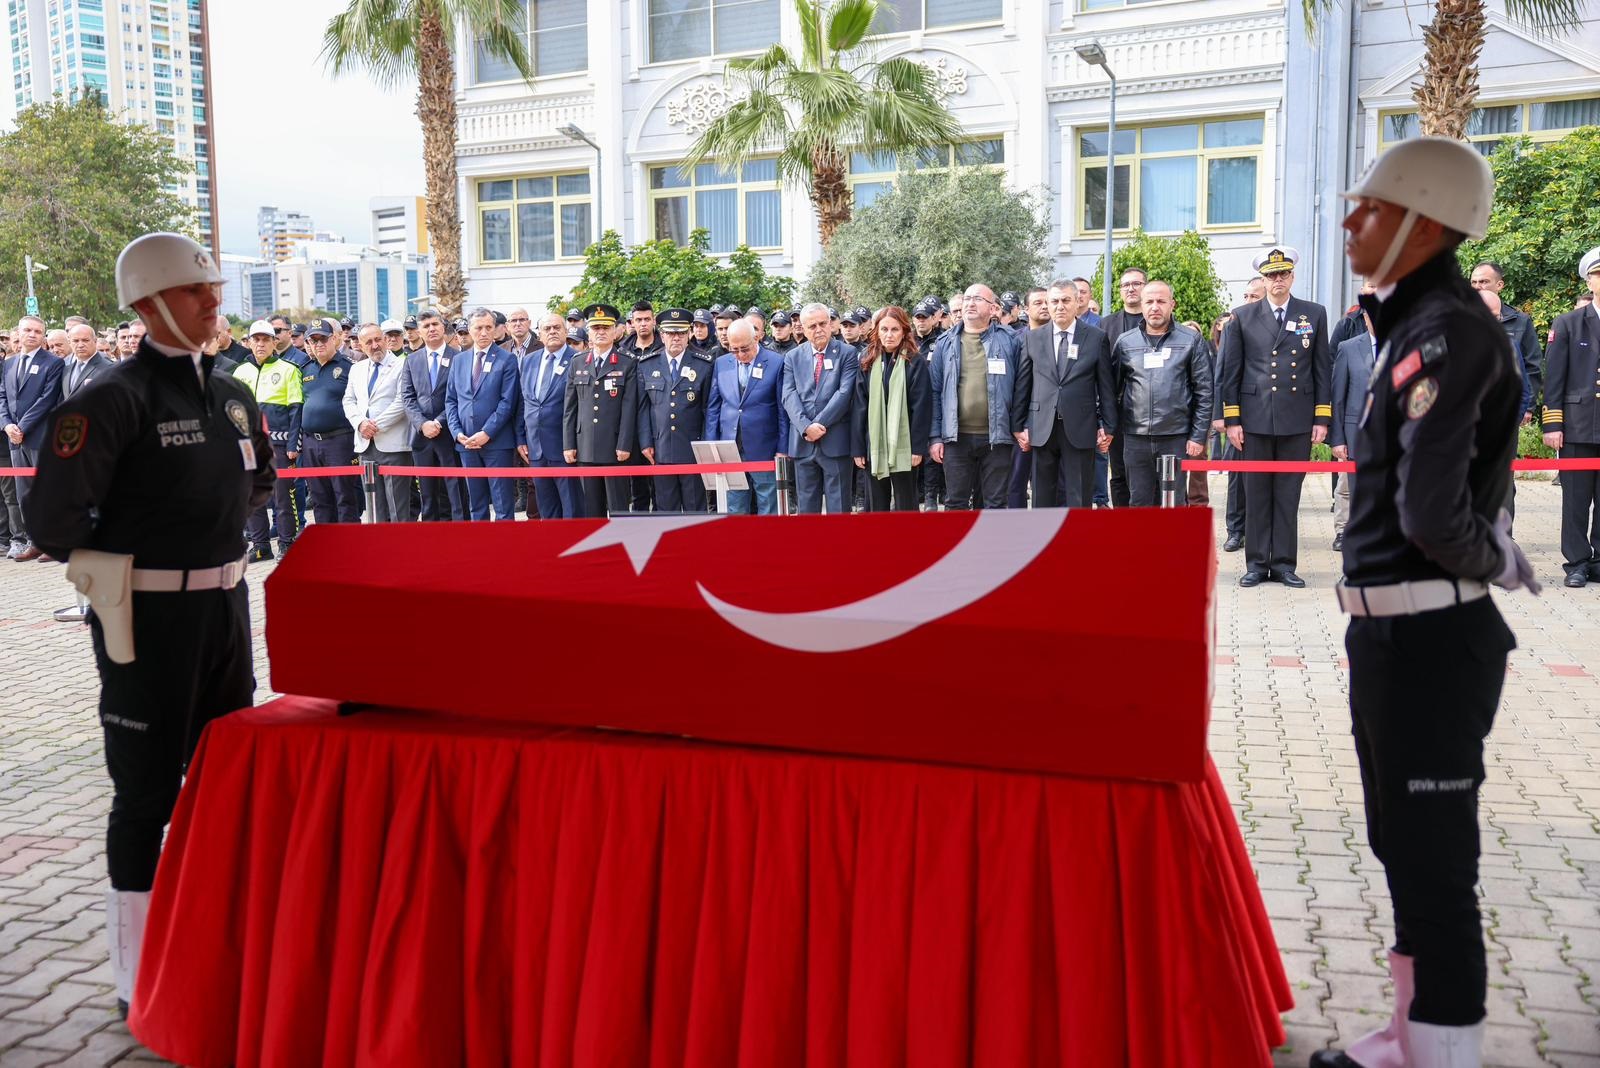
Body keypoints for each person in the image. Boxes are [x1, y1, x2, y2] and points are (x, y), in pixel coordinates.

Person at [1313, 136, 1537, 1068]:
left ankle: (1447, 1050)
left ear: (1427, 224)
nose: (1351, 223)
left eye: (1371, 208)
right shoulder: (1404, 326)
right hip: (1390, 634)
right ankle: (1413, 1035)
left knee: (1437, 860)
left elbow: (1431, 510)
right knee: (1398, 839)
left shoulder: (1450, 332)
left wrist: (1500, 555)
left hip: (1435, 635)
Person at [25, 232, 274, 1021]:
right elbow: (54, 516)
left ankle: (221, 939)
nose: (214, 302)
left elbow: (258, 483)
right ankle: (136, 970)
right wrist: (122, 576)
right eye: (198, 291)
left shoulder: (235, 393)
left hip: (227, 611)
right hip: (146, 618)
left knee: (226, 781)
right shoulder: (109, 399)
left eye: (213, 288)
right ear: (149, 303)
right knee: (144, 793)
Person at [1220, 247, 1332, 589]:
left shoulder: (1313, 313)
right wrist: (1232, 420)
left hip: (1296, 418)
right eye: (1271, 275)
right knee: (1255, 494)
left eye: (1283, 274)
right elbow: (1231, 372)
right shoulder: (1243, 316)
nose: (1277, 280)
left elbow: (1321, 369)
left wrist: (1321, 417)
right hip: (1254, 420)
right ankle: (1256, 563)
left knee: (1288, 495)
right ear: (1263, 280)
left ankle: (1283, 564)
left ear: (1292, 276)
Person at [928, 284, 1031, 510]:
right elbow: (934, 393)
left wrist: (1020, 426)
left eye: (977, 299)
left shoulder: (1011, 340)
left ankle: (992, 546)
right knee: (956, 503)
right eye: (967, 299)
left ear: (993, 308)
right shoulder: (944, 343)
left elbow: (1023, 388)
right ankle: (960, 546)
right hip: (955, 438)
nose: (970, 303)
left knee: (995, 503)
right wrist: (935, 437)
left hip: (998, 437)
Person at [1109, 281, 1211, 506]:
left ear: (1171, 304)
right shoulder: (1125, 343)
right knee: (1140, 501)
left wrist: (1198, 435)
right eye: (1150, 302)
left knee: (1173, 502)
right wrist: (1108, 427)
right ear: (1142, 306)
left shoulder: (1190, 340)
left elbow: (1204, 391)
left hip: (1176, 436)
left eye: (1161, 301)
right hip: (1135, 437)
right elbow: (1112, 390)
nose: (1155, 307)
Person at [1025, 279, 1115, 508]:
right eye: (1054, 301)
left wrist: (1108, 425)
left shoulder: (1096, 337)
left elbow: (1105, 386)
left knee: (1080, 492)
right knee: (1042, 494)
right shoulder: (1033, 337)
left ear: (1077, 302)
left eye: (1066, 300)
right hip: (1042, 425)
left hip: (1081, 426)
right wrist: (1019, 425)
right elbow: (1023, 384)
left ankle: (1077, 540)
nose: (1060, 306)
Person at [1542, 246, 1600, 587]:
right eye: (1597, 275)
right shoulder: (1568, 323)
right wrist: (1553, 424)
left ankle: (1599, 560)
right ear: (1589, 281)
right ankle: (1577, 563)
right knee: (1576, 500)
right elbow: (1554, 378)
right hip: (1578, 425)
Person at [849, 306, 932, 512]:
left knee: (906, 503)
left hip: (905, 445)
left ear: (904, 331)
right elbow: (860, 406)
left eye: (894, 329)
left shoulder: (915, 362)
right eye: (884, 329)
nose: (889, 335)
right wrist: (858, 448)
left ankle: (908, 543)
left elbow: (922, 408)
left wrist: (918, 447)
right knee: (876, 505)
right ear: (876, 331)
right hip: (874, 445)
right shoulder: (867, 361)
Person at [233, 321, 303, 560]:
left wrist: (294, 445)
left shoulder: (289, 369)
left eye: (266, 340)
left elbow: (296, 411)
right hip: (248, 445)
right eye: (256, 339)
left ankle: (286, 542)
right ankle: (261, 545)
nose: (261, 344)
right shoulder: (240, 372)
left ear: (275, 342)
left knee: (283, 495)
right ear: (249, 342)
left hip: (280, 443)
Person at [782, 302, 859, 514]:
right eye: (812, 326)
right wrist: (806, 427)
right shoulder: (792, 357)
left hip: (835, 441)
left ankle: (840, 548)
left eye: (823, 323)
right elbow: (788, 396)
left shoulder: (847, 353)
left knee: (839, 508)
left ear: (831, 324)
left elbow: (844, 394)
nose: (819, 330)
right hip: (803, 442)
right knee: (807, 510)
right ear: (803, 329)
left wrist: (819, 424)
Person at [562, 303, 637, 517]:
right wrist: (569, 444)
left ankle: (620, 548)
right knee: (591, 510)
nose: (601, 332)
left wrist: (624, 444)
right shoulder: (577, 363)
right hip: (584, 446)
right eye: (596, 328)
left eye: (606, 327)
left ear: (615, 331)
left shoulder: (626, 363)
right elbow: (570, 408)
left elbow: (629, 408)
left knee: (619, 508)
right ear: (589, 332)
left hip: (615, 449)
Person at [636, 308, 715, 513]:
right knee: (665, 509)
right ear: (662, 335)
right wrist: (645, 442)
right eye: (671, 333)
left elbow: (708, 410)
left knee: (694, 508)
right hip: (660, 449)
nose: (676, 338)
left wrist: (705, 446)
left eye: (681, 333)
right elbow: (643, 409)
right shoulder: (647, 364)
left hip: (692, 449)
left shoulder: (703, 364)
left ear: (689, 334)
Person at [705, 319, 787, 514]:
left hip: (764, 447)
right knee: (735, 507)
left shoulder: (776, 362)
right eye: (734, 350)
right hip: (730, 448)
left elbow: (783, 411)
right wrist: (712, 446)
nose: (740, 355)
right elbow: (714, 408)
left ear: (757, 338)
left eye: (745, 349)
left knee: (768, 506)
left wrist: (783, 448)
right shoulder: (721, 364)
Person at [445, 308, 519, 521]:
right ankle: (482, 550)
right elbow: (451, 400)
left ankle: (504, 549)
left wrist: (486, 432)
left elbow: (507, 402)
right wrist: (457, 432)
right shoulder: (459, 361)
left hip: (496, 442)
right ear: (470, 329)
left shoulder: (507, 360)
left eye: (489, 327)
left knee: (503, 504)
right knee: (476, 504)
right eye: (479, 328)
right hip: (466, 443)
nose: (484, 332)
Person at [2, 314, 64, 560]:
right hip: (14, 439)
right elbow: (2, 398)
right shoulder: (9, 363)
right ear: (19, 332)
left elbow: (47, 400)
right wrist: (7, 426)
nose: (32, 335)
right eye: (27, 330)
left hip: (39, 436)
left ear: (43, 336)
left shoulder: (53, 363)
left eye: (38, 332)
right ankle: (35, 541)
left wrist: (22, 427)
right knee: (24, 494)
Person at [400, 310, 466, 522]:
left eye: (435, 324)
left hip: (449, 434)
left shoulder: (459, 358)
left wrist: (438, 421)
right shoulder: (412, 360)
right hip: (422, 438)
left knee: (455, 492)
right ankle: (431, 540)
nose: (431, 329)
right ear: (419, 331)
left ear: (443, 326)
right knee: (428, 495)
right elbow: (408, 398)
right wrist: (422, 424)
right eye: (426, 326)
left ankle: (460, 537)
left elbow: (460, 398)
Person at [343, 323, 414, 522]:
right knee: (374, 509)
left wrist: (374, 426)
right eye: (368, 342)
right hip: (365, 446)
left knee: (398, 508)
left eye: (378, 340)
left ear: (384, 339)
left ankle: (400, 550)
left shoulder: (403, 364)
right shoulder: (357, 369)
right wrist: (360, 424)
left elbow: (402, 401)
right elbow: (348, 400)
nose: (375, 346)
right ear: (361, 346)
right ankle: (379, 550)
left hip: (394, 446)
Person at [516, 313, 583, 519]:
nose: (552, 331)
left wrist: (574, 443)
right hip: (535, 449)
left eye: (557, 327)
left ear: (565, 331)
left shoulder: (578, 359)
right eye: (547, 329)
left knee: (573, 509)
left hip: (566, 448)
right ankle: (554, 550)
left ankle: (575, 550)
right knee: (547, 510)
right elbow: (522, 402)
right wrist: (520, 438)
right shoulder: (529, 361)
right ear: (540, 335)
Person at [298, 319, 362, 524]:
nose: (318, 344)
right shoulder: (306, 369)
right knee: (319, 498)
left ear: (334, 339)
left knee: (344, 496)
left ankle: (349, 547)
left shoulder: (349, 367)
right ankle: (328, 546)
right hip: (310, 443)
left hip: (340, 441)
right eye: (313, 340)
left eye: (322, 339)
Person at [1470, 262, 1544, 422]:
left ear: (1499, 285)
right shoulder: (1458, 318)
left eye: (1483, 281)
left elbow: (1532, 366)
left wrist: (1527, 408)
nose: (1477, 286)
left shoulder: (1519, 321)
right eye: (1474, 282)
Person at [1099, 268, 1148, 509]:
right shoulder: (1105, 325)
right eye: (1125, 285)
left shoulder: (1157, 320)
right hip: (1116, 413)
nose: (1130, 288)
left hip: (1149, 414)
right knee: (1118, 474)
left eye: (1136, 284)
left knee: (1148, 476)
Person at [1328, 311, 1375, 552]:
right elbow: (1338, 397)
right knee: (1354, 495)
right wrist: (1337, 439)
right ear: (1364, 318)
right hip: (1356, 438)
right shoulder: (1348, 348)